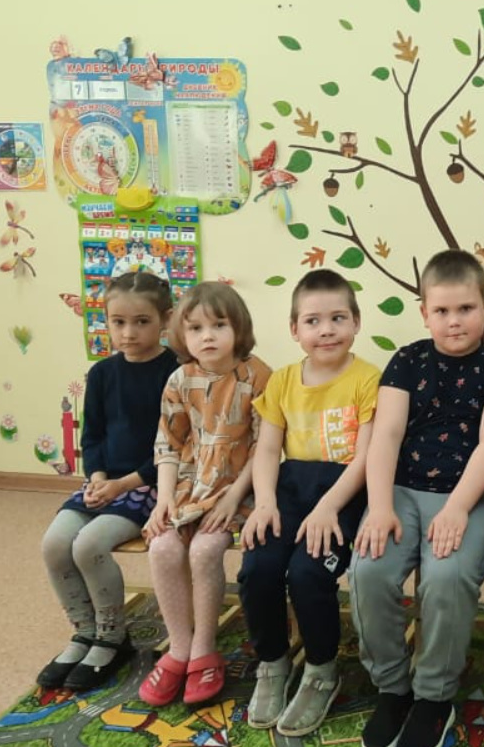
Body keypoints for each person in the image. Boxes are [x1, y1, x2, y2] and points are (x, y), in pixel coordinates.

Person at [349, 250, 484, 747]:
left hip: (470, 496)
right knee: (369, 570)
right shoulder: (407, 361)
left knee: (446, 578)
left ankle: (433, 696)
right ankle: (392, 686)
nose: (454, 321)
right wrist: (380, 506)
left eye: (466, 309)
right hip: (401, 490)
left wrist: (459, 508)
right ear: (425, 313)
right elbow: (386, 436)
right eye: (442, 311)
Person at [237, 270, 380, 736]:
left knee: (307, 573)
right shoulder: (281, 381)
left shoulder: (369, 379)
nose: (326, 330)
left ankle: (321, 669)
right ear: (294, 329)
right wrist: (264, 503)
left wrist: (329, 507)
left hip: (344, 492)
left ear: (356, 322)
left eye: (338, 318)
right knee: (258, 568)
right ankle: (273, 661)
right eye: (313, 321)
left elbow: (366, 458)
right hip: (290, 488)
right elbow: (266, 450)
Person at [37, 272, 179, 692]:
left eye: (141, 322)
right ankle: (85, 632)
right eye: (118, 322)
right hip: (104, 483)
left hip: (150, 484)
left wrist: (124, 484)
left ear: (165, 319)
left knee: (89, 545)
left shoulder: (176, 372)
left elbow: (178, 445)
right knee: (55, 544)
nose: (128, 333)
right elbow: (93, 436)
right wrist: (97, 478)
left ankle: (113, 639)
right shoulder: (101, 373)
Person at [138, 282, 273, 707]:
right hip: (188, 484)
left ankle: (204, 649)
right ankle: (179, 648)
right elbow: (168, 444)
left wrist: (233, 498)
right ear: (182, 334)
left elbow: (264, 447)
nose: (207, 336)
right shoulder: (180, 378)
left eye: (219, 325)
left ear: (239, 328)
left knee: (204, 550)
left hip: (240, 487)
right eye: (195, 328)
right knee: (162, 548)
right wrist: (164, 499)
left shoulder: (258, 375)